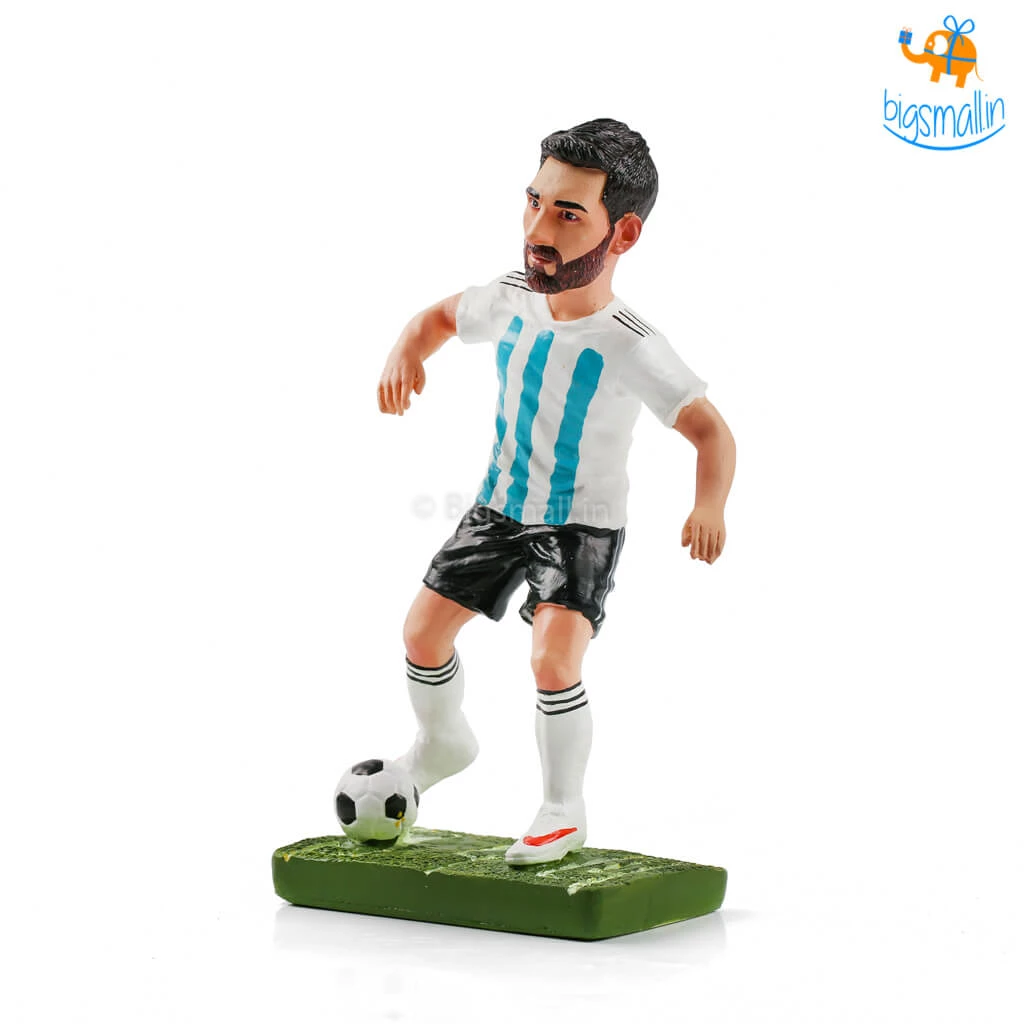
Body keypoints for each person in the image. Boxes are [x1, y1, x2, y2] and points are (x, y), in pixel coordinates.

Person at [377, 118, 736, 866]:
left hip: (580, 525)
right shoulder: (510, 297)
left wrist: (708, 504)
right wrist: (407, 353)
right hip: (497, 508)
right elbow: (438, 317)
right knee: (421, 635)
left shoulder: (630, 342)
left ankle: (562, 807)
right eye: (534, 202)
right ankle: (442, 742)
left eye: (568, 214)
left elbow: (710, 431)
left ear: (622, 233)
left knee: (552, 661)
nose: (538, 231)